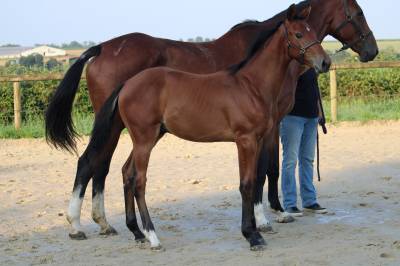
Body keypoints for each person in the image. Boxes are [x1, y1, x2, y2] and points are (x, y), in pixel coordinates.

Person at [280, 68, 328, 217]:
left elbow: (315, 88)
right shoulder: (292, 65)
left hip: (311, 117)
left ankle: (309, 201)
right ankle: (290, 203)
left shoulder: (312, 65)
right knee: (290, 161)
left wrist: (320, 111)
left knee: (307, 160)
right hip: (292, 116)